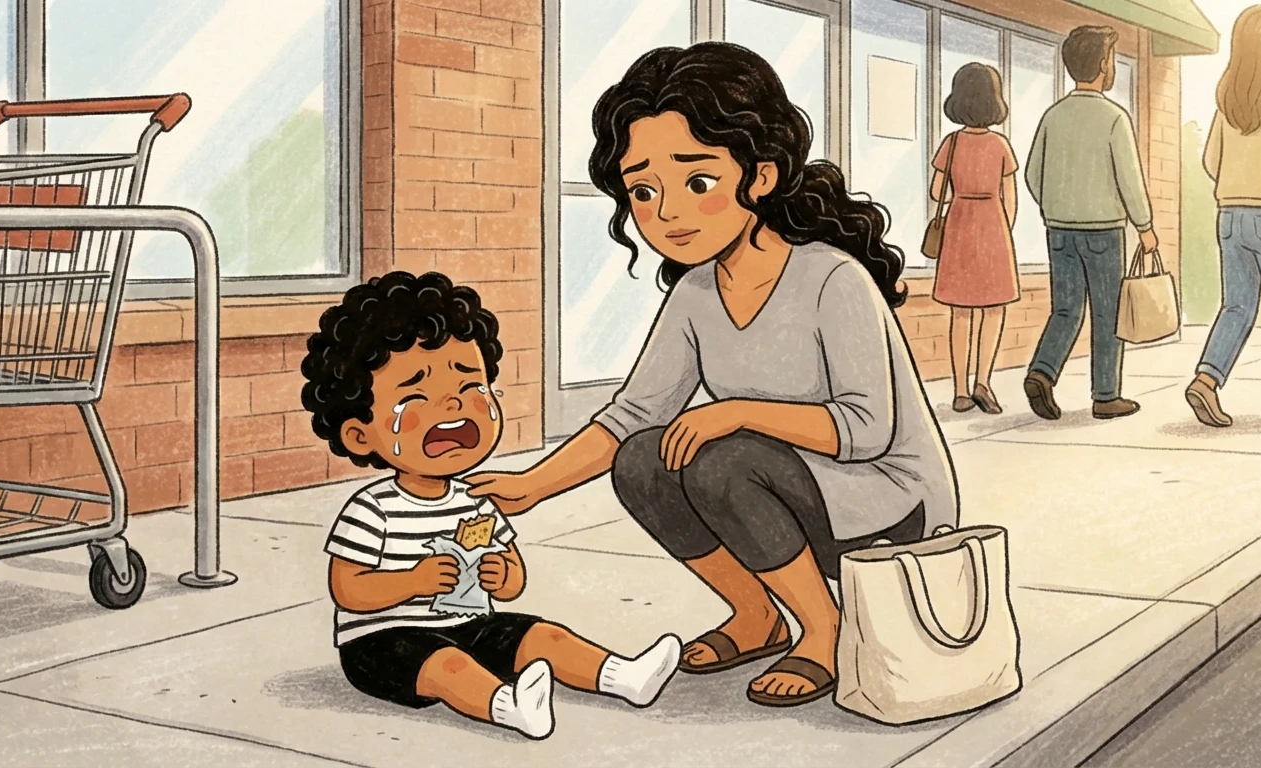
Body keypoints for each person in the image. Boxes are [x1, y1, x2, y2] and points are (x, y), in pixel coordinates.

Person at [465, 42, 958, 708]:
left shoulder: (831, 278)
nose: (666, 212)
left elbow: (866, 431)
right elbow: (631, 417)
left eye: (696, 182)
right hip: (789, 493)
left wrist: (736, 410)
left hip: (890, 506)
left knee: (719, 458)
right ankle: (757, 615)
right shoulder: (696, 293)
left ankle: (823, 630)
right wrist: (531, 485)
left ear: (758, 177)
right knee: (644, 460)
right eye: (643, 190)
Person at [301, 272, 682, 740]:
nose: (452, 406)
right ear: (360, 434)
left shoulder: (475, 499)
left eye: (469, 386)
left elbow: (512, 574)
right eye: (417, 394)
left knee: (543, 636)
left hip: (470, 622)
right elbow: (348, 590)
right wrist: (412, 582)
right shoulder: (373, 509)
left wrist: (503, 576)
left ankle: (623, 677)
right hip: (383, 643)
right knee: (449, 667)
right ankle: (508, 706)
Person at [1024, 24, 1156, 421]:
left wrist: (1054, 207)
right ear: (1103, 65)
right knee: (1106, 312)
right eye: (1112, 59)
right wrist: (1145, 227)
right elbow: (1129, 179)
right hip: (1104, 230)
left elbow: (1032, 173)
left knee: (1065, 309)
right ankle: (1105, 395)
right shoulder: (1114, 117)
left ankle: (1042, 371)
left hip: (1059, 229)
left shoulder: (1053, 116)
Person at [1185, 4, 1261, 428]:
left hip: (1229, 217)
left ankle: (1207, 378)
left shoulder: (1226, 106)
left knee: (1236, 306)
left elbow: (1211, 161)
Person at [930, 63, 1021, 415]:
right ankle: (984, 381)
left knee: (961, 313)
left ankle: (960, 389)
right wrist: (1001, 228)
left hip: (959, 224)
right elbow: (1010, 199)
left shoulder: (950, 143)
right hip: (993, 226)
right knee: (994, 309)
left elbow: (937, 189)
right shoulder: (1000, 144)